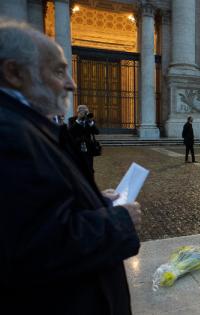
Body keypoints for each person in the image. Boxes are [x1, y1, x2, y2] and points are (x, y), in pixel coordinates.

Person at [0, 20, 141, 314]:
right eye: (58, 70)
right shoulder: (10, 135)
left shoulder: (25, 125)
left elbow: (41, 207)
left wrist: (93, 203)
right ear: (13, 72)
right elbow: (36, 246)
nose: (72, 83)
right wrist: (119, 220)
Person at [68, 104, 99, 172]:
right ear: (78, 112)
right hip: (77, 147)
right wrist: (78, 120)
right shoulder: (72, 120)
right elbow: (70, 131)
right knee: (77, 167)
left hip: (88, 147)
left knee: (89, 168)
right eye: (82, 112)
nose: (84, 113)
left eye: (85, 112)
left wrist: (91, 122)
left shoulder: (89, 120)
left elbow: (97, 132)